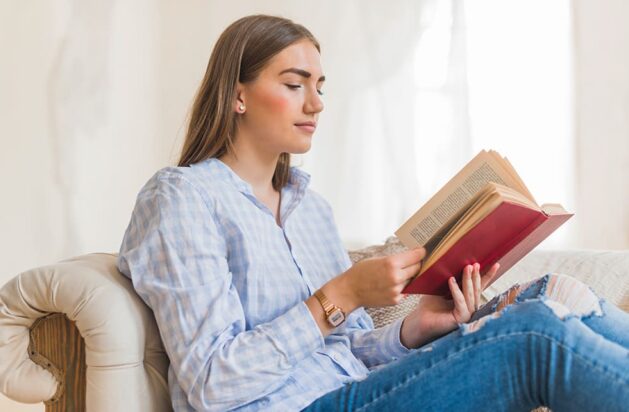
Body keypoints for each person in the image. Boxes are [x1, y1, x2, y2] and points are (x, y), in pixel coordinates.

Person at [117, 14, 629, 412]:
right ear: (238, 95)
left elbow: (351, 350)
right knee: (535, 335)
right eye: (295, 84)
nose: (316, 103)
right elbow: (211, 383)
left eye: (320, 86)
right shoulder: (183, 198)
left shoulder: (308, 208)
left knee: (551, 293)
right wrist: (340, 295)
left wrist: (417, 330)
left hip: (360, 390)